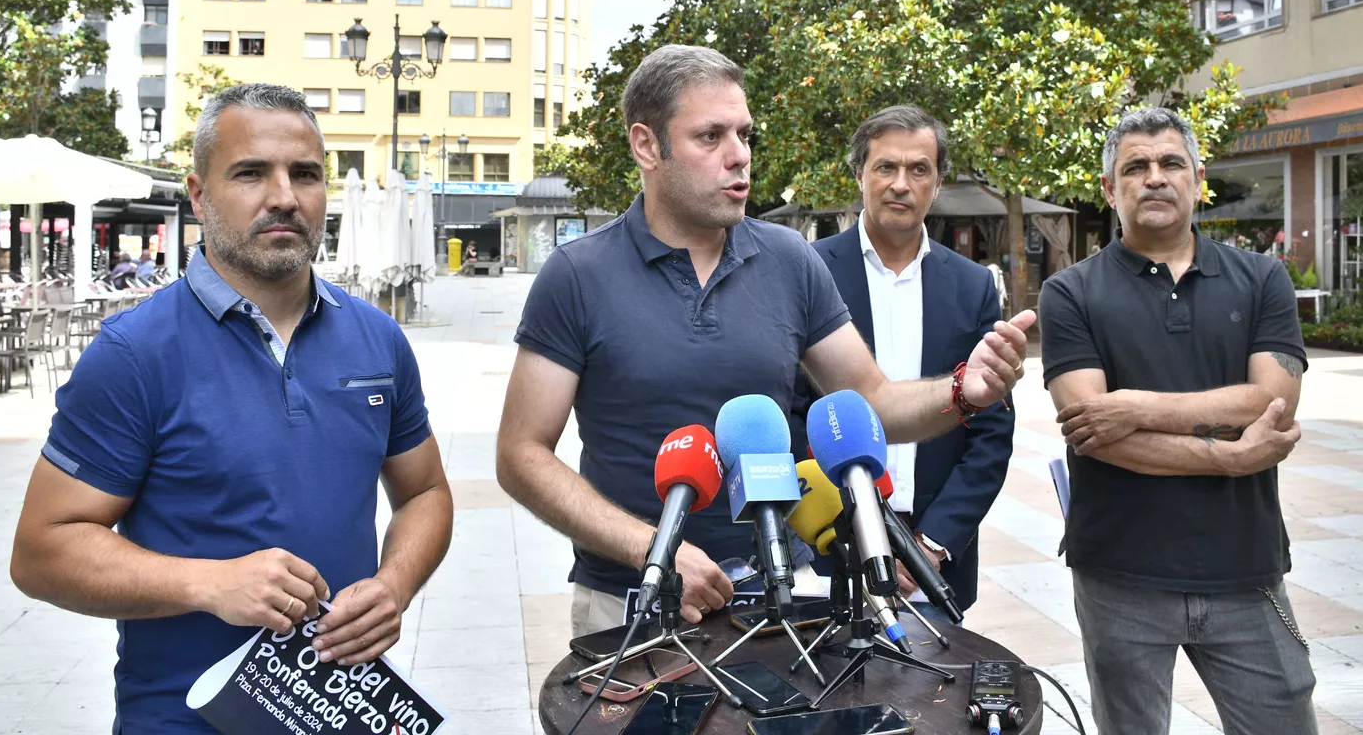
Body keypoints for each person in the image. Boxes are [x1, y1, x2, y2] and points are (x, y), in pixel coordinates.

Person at [496, 45, 1036, 637]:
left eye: (745, 135)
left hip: (773, 597)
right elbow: (522, 455)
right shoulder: (576, 275)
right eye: (711, 137)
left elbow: (870, 400)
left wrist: (965, 391)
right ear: (647, 145)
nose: (740, 157)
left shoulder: (790, 261)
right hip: (628, 600)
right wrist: (652, 549)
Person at [10, 83, 454, 734]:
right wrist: (209, 584)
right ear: (198, 194)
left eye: (305, 175)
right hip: (184, 717)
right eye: (251, 173)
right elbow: (41, 551)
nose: (284, 197)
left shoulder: (377, 338)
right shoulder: (135, 355)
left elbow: (426, 493)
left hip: (339, 712)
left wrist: (395, 584)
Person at [1038, 106, 1314, 735]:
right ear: (1111, 189)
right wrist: (1227, 455)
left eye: (1170, 163)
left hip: (1245, 567)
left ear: (1198, 179)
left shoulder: (1262, 278)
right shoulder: (1071, 292)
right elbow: (1090, 432)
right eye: (1135, 167)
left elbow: (1271, 402)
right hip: (1119, 574)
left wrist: (1135, 406)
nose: (1154, 177)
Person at [804, 106, 1013, 616]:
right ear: (859, 175)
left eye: (919, 169)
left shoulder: (973, 285)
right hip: (834, 551)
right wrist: (847, 531)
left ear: (937, 183)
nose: (901, 183)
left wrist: (936, 543)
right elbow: (793, 411)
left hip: (936, 565)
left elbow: (990, 434)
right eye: (885, 167)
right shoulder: (808, 272)